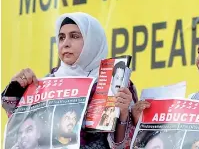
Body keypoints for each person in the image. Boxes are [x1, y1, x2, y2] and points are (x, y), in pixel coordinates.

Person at [1, 12, 139, 149]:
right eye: (61, 38)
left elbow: (126, 144)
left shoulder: (113, 82)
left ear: (93, 40)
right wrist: (16, 88)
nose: (65, 44)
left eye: (74, 36)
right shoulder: (49, 81)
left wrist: (123, 114)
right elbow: (19, 126)